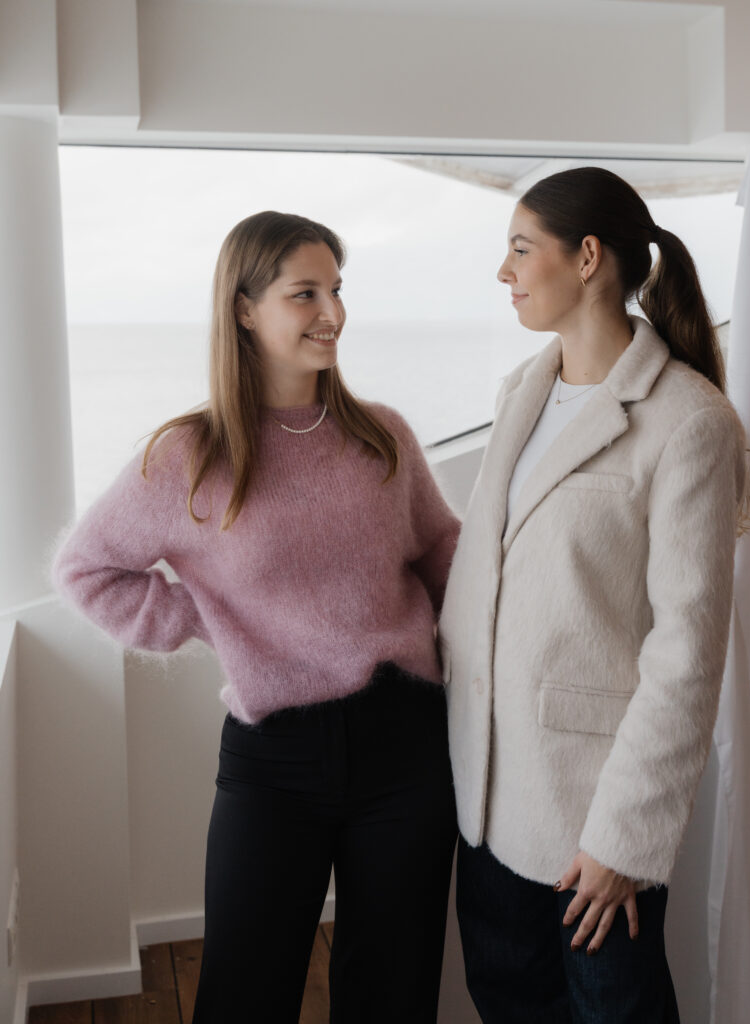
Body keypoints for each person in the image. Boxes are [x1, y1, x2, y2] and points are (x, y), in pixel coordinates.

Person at [53, 211, 460, 1024]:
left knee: (394, 991)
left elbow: (441, 553)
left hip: (406, 744)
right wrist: (210, 619)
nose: (332, 312)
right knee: (243, 991)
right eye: (304, 293)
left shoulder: (382, 436)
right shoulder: (187, 455)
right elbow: (85, 570)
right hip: (275, 761)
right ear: (244, 308)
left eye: (337, 289)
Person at [438, 167, 750, 1024]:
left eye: (519, 249)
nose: (503, 271)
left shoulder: (688, 420)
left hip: (591, 827)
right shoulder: (520, 391)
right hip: (487, 803)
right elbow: (492, 571)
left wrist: (623, 841)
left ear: (585, 258)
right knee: (507, 1004)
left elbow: (686, 655)